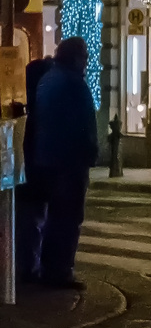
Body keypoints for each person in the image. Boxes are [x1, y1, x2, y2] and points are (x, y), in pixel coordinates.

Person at [31, 38, 99, 289]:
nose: (87, 62)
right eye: (85, 57)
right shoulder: (73, 84)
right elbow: (83, 126)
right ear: (76, 58)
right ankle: (59, 270)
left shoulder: (49, 79)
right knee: (68, 217)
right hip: (69, 161)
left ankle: (49, 267)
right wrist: (91, 153)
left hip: (48, 157)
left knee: (54, 217)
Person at [15, 56, 53, 284]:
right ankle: (29, 268)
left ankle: (28, 265)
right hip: (34, 170)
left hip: (28, 170)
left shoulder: (25, 103)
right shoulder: (38, 106)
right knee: (33, 221)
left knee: (29, 220)